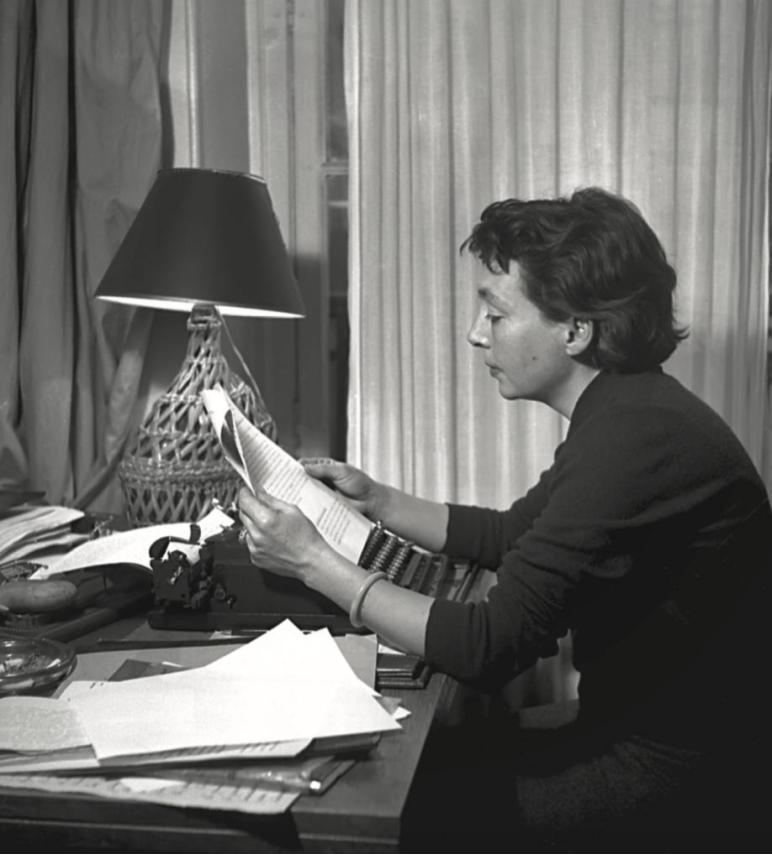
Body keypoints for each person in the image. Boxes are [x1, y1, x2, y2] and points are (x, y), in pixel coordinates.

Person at [237, 187, 772, 849]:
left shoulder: (634, 439)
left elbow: (487, 646)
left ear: (575, 330)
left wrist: (315, 563)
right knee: (433, 757)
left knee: (400, 810)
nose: (475, 333)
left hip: (683, 772)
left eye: (495, 312)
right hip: (645, 734)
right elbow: (510, 534)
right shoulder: (630, 411)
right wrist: (377, 500)